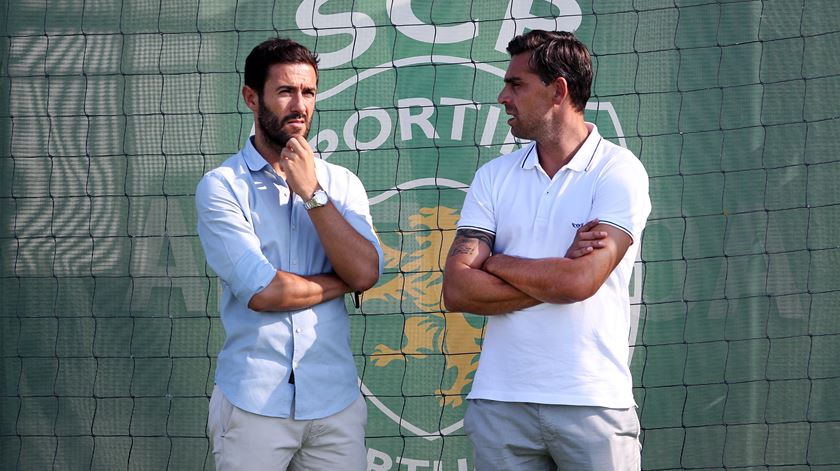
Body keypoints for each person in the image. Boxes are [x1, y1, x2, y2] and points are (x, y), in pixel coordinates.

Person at [442, 30, 651, 470]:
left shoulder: (619, 171)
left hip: (592, 402)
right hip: (500, 401)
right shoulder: (493, 177)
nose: (503, 97)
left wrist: (495, 262)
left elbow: (579, 281)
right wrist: (556, 276)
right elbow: (458, 290)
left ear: (558, 90)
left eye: (517, 84)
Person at [196, 38, 383, 471]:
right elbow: (264, 291)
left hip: (335, 405)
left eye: (309, 92)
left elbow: (366, 272)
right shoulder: (222, 186)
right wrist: (342, 283)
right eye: (285, 91)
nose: (299, 105)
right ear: (251, 97)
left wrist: (312, 194)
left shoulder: (342, 184)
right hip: (252, 403)